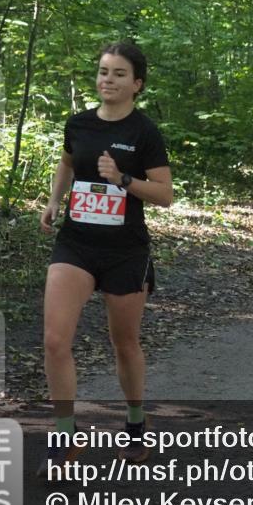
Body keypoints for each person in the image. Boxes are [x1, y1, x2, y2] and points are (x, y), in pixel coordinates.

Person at [38, 42, 173, 477]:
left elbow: (165, 195)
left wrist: (124, 178)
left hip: (124, 251)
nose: (107, 80)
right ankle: (65, 436)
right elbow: (66, 162)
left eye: (118, 74)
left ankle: (135, 422)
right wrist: (55, 201)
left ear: (136, 84)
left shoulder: (144, 131)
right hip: (75, 243)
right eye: (102, 72)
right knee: (55, 341)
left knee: (124, 344)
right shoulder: (77, 123)